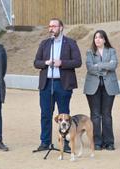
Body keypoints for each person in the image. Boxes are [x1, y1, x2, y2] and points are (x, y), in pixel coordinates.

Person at [34, 18, 82, 151]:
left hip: (63, 84)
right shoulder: (44, 44)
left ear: (61, 27)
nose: (51, 28)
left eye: (54, 26)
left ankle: (66, 143)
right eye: (49, 26)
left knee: (65, 115)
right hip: (47, 84)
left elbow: (78, 62)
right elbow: (36, 62)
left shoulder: (70, 43)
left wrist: (62, 63)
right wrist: (46, 63)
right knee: (45, 114)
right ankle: (45, 142)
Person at [83, 30, 120, 151]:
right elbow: (89, 68)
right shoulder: (89, 52)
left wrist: (98, 65)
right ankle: (97, 142)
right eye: (95, 38)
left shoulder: (112, 51)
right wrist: (105, 66)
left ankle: (109, 142)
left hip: (109, 86)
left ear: (105, 39)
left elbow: (113, 65)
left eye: (100, 37)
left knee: (107, 115)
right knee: (95, 115)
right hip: (92, 87)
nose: (97, 39)